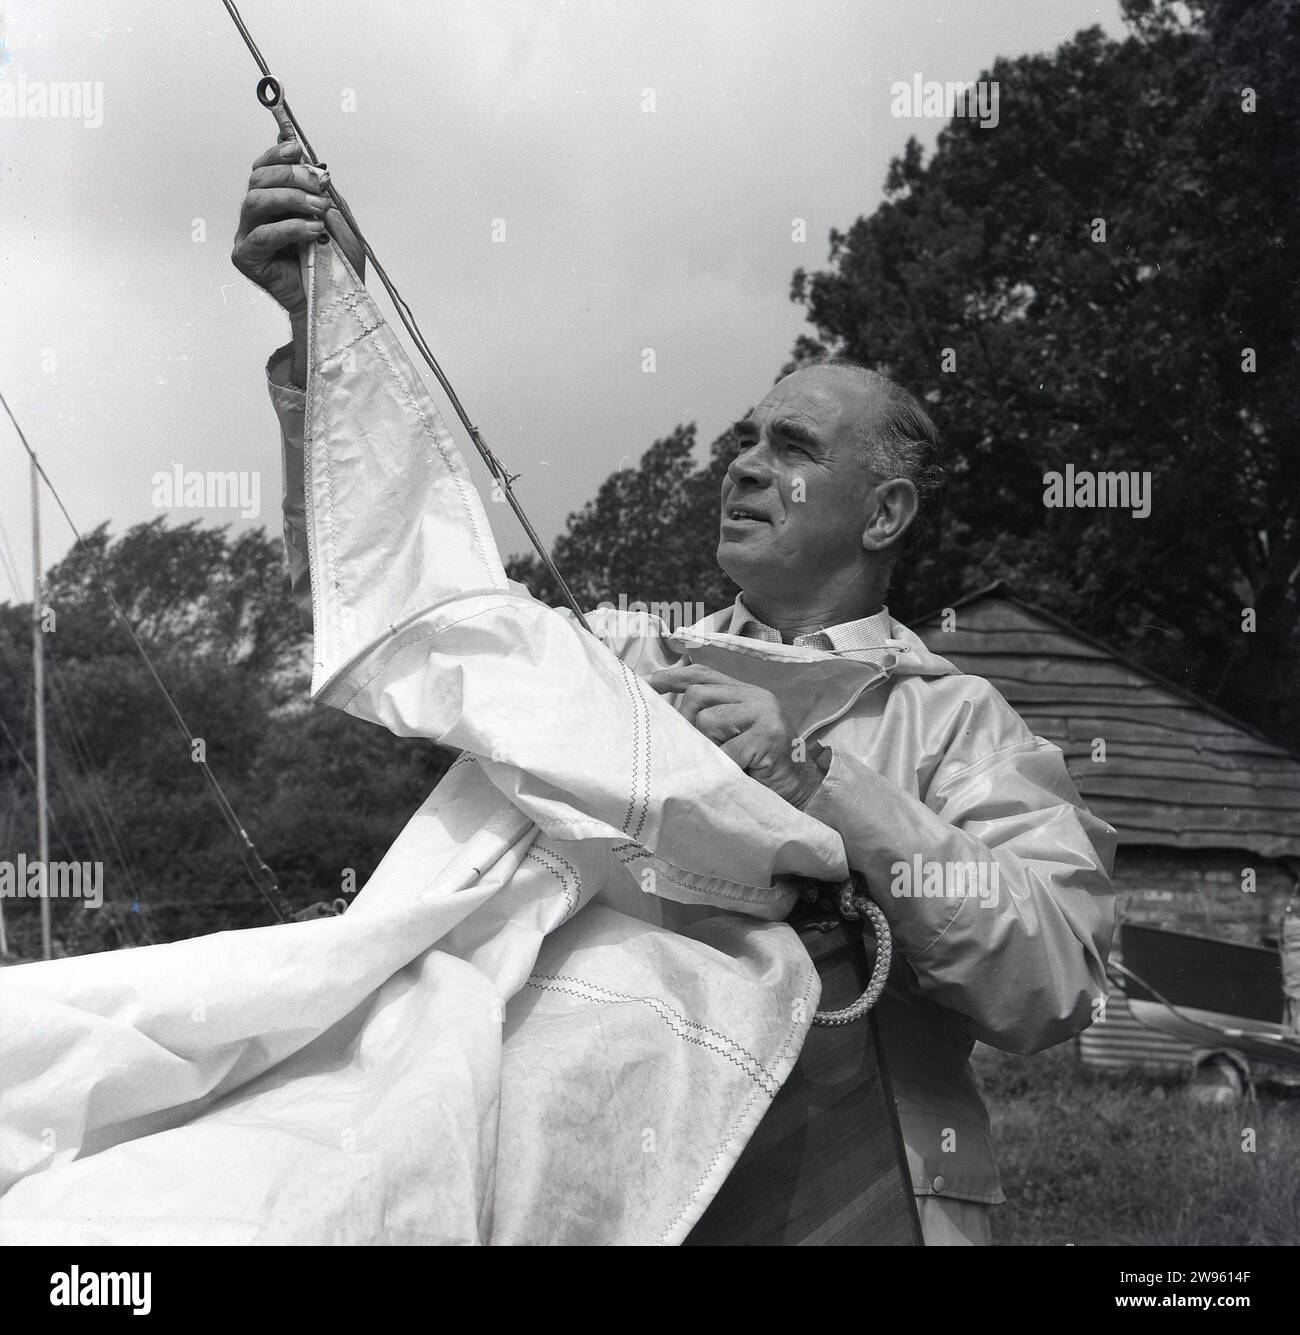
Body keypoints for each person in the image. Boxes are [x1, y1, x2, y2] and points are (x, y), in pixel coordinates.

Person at [232, 139, 1117, 1246]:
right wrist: (328, 332)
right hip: (628, 1204)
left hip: (870, 1206)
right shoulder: (625, 671)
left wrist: (820, 786)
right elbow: (412, 620)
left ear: (883, 515)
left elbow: (1050, 981)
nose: (741, 463)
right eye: (743, 437)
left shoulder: (959, 724)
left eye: (789, 446)